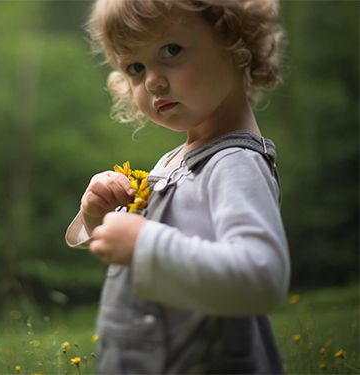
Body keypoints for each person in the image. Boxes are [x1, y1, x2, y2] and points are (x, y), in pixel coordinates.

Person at [65, 0, 290, 373]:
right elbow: (176, 232)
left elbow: (263, 275)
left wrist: (145, 244)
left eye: (171, 50)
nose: (151, 80)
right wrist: (100, 217)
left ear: (236, 40)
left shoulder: (234, 163)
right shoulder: (173, 162)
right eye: (135, 67)